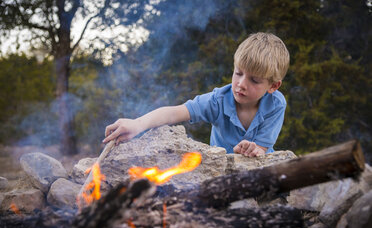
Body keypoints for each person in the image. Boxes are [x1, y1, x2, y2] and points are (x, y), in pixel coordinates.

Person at [103, 32, 290, 157]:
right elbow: (175, 112)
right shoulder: (218, 101)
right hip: (220, 170)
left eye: (254, 80)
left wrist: (253, 150)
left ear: (273, 86)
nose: (241, 84)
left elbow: (262, 149)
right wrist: (137, 124)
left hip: (261, 169)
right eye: (238, 73)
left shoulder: (276, 104)